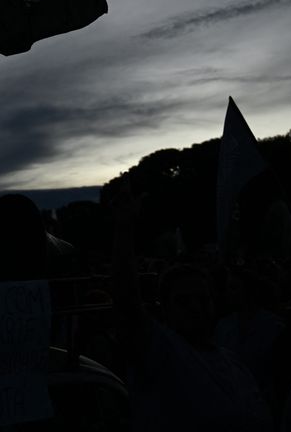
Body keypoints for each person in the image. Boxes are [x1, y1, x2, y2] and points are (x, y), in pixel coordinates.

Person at [109, 173, 272, 432]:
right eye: (183, 301)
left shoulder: (236, 366)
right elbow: (127, 304)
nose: (194, 307)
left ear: (214, 302)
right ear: (165, 309)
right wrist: (124, 228)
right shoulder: (161, 352)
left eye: (201, 298)